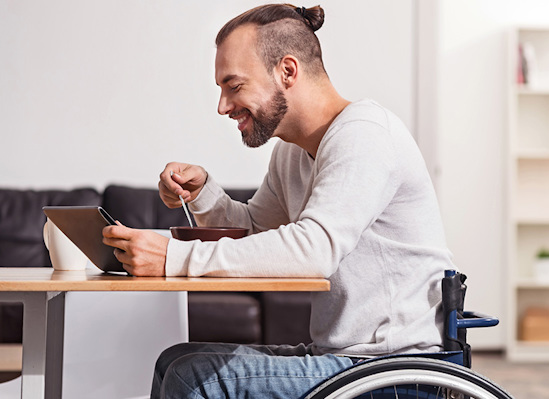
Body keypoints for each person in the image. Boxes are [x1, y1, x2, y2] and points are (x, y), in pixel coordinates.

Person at [102, 3, 456, 398]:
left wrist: (174, 257)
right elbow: (256, 230)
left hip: (393, 369)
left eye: (233, 86)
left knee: (194, 377)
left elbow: (313, 250)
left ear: (287, 71)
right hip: (345, 357)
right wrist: (203, 194)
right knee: (175, 361)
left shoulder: (365, 135)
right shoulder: (291, 152)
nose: (222, 106)